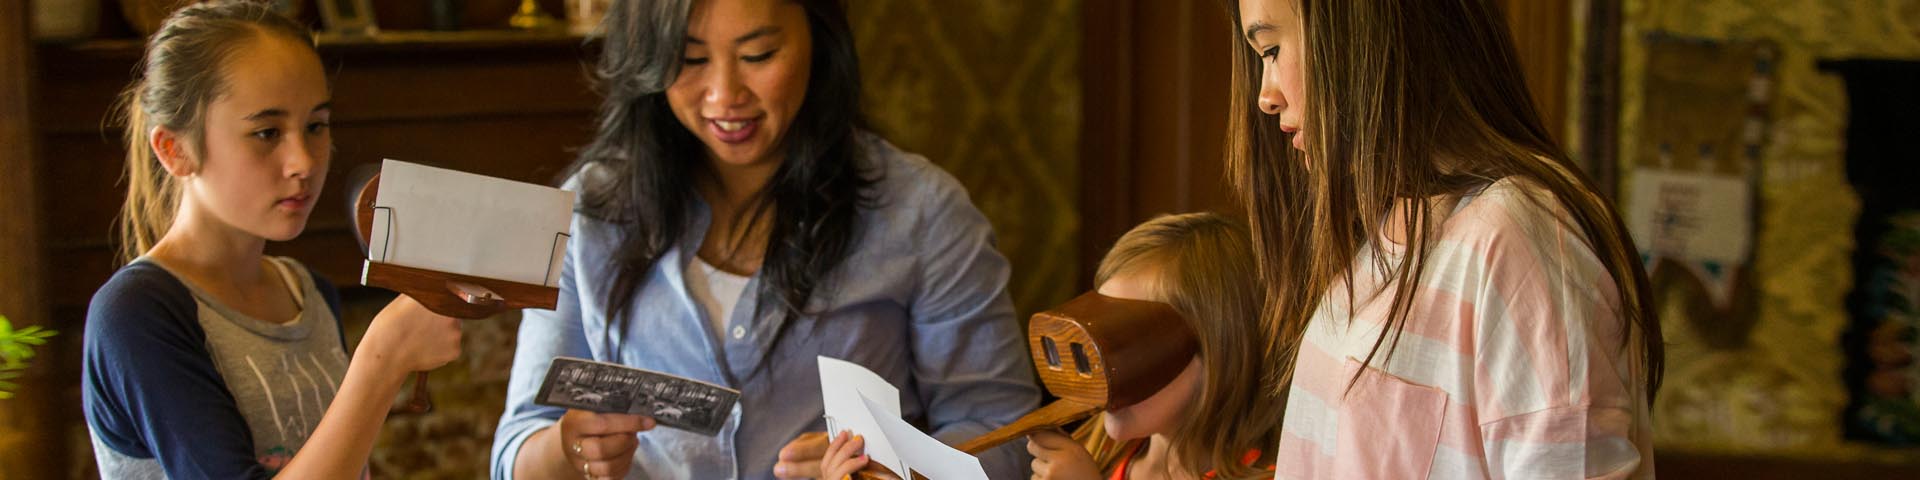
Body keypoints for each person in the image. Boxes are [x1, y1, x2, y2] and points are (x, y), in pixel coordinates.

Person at [490, 0, 1039, 478]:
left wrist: (895, 463)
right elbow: (516, 448)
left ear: (818, 40)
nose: (724, 94)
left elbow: (1008, 436)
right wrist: (569, 450)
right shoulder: (594, 210)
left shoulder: (921, 213)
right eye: (692, 58)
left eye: (757, 55)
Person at [1225, 0, 1664, 478]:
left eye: (1271, 49)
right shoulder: (1385, 230)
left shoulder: (1520, 238)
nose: (1266, 97)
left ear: (1366, 33)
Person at [82, 2, 464, 478]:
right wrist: (384, 360)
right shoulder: (136, 314)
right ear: (174, 149)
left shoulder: (307, 291)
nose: (303, 161)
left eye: (315, 127)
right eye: (266, 132)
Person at [820, 213, 1284, 480]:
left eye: (1131, 339)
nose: (1100, 361)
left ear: (1219, 349)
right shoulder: (1100, 451)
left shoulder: (1269, 474)